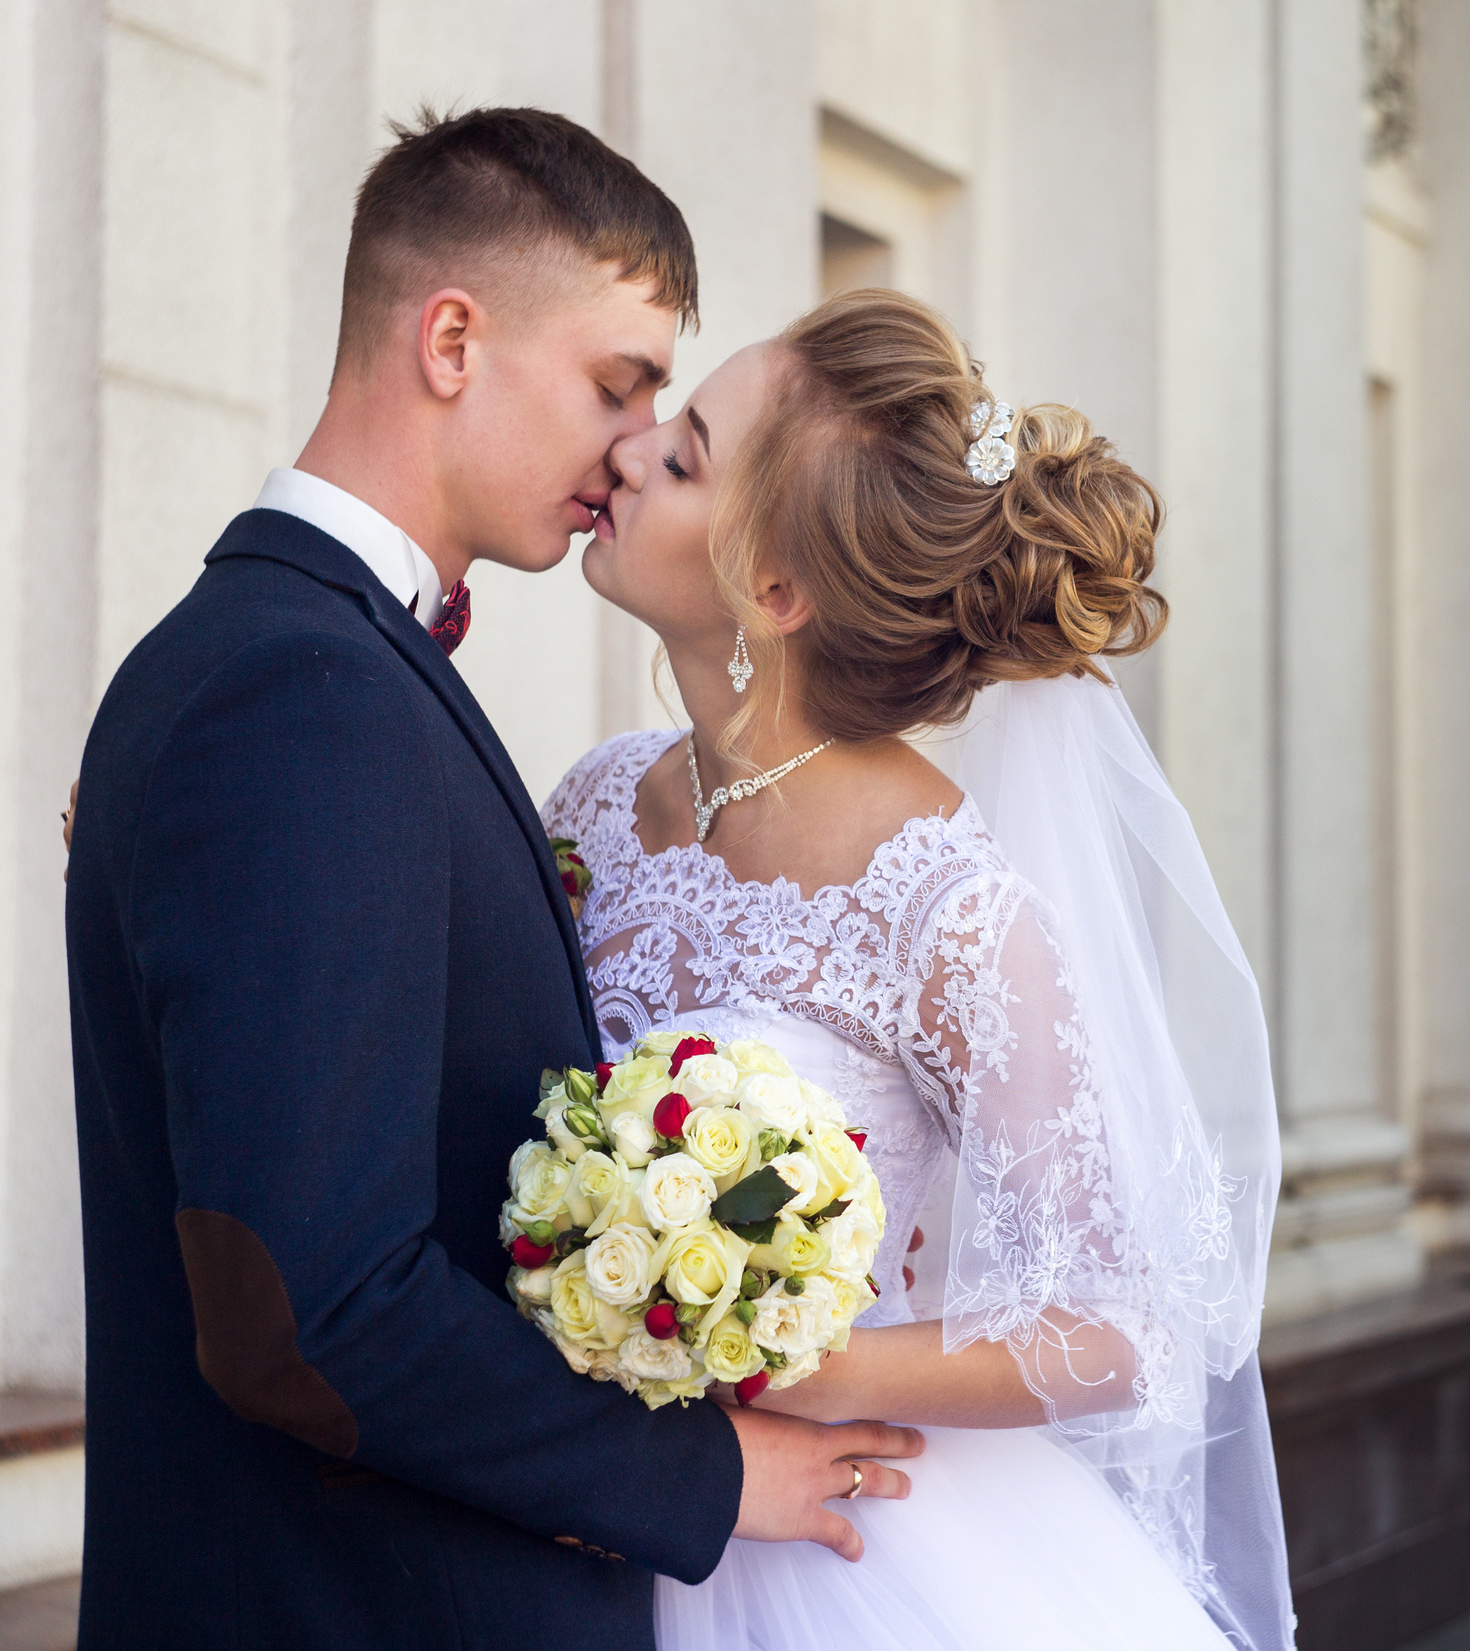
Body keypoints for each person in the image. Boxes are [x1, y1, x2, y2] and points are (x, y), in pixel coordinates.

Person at [63, 108, 922, 1651]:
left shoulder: (301, 665)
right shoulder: (300, 697)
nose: (634, 446)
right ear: (452, 340)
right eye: (618, 381)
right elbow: (309, 1311)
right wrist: (697, 1471)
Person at [544, 287, 1293, 1651]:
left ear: (774, 591)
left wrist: (814, 1366)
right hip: (580, 1509)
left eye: (689, 451)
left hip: (834, 1550)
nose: (632, 444)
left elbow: (1124, 1327)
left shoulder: (946, 903)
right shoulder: (593, 806)